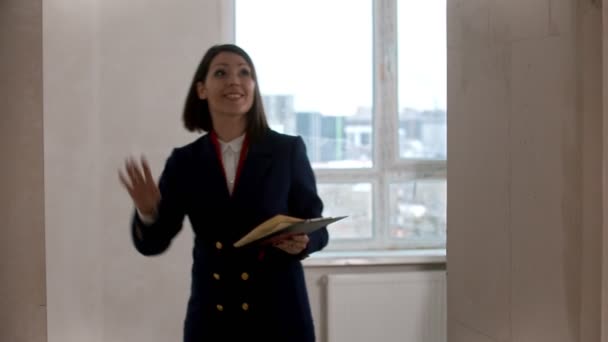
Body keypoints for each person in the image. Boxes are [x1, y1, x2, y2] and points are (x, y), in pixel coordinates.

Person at [118, 44, 328, 342]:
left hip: (279, 316)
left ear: (253, 88)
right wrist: (149, 212)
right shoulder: (185, 161)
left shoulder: (287, 151)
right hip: (213, 319)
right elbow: (154, 243)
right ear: (202, 90)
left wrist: (306, 240)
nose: (235, 80)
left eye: (245, 72)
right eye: (221, 72)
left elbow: (316, 224)